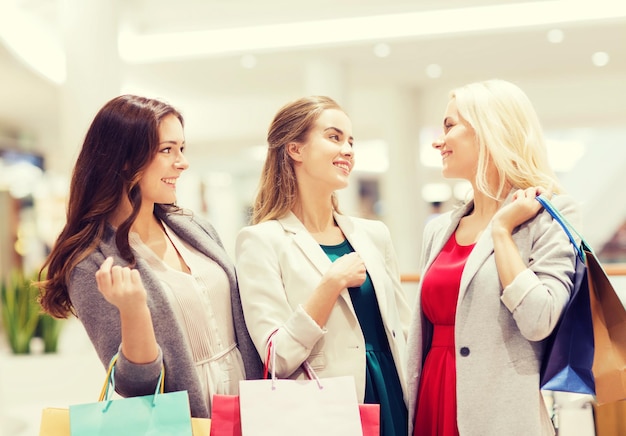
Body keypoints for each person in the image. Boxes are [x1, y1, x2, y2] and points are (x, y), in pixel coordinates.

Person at [37, 94, 263, 418]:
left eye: (181, 149)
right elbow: (135, 387)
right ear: (126, 159)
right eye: (167, 150)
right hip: (188, 415)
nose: (182, 162)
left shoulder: (196, 229)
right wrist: (134, 310)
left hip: (246, 402)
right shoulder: (92, 261)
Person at [406, 79, 579, 436]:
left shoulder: (551, 216)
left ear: (488, 131)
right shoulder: (438, 230)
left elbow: (539, 320)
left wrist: (501, 232)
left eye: (450, 126)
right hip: (433, 398)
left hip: (503, 412)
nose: (438, 141)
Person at [235, 96, 412, 436]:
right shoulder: (260, 241)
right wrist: (329, 286)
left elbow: (403, 330)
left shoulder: (373, 234)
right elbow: (277, 357)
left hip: (392, 394)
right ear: (295, 149)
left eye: (350, 141)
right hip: (323, 409)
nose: (347, 149)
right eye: (334, 137)